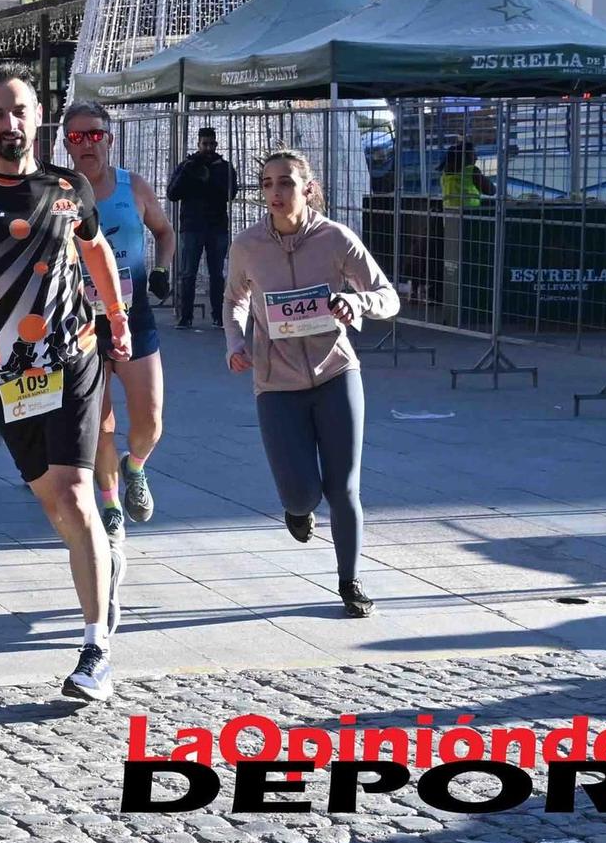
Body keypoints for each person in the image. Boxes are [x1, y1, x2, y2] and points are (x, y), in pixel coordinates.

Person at [0, 63, 129, 702]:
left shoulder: (69, 187)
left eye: (20, 110)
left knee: (73, 495)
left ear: (39, 116)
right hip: (8, 376)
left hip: (74, 357)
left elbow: (97, 252)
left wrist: (116, 316)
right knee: (55, 504)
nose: (9, 124)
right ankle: (100, 552)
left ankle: (95, 646)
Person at [224, 149, 399, 618]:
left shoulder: (335, 238)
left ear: (307, 188)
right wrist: (236, 342)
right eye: (266, 184)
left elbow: (389, 297)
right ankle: (298, 509)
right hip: (275, 383)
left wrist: (355, 302)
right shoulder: (247, 245)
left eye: (285, 183)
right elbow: (234, 299)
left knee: (343, 487)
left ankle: (350, 581)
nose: (276, 193)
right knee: (302, 491)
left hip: (337, 373)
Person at [60, 101, 174, 543]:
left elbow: (164, 232)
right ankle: (109, 504)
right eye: (76, 137)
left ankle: (135, 466)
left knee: (150, 419)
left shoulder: (134, 186)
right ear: (67, 143)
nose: (87, 143)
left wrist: (162, 269)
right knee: (101, 421)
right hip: (82, 321)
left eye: (95, 135)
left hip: (133, 314)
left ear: (109, 138)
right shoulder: (59, 193)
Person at [166, 125, 238, 330]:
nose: (208, 148)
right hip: (192, 226)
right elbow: (172, 193)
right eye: (204, 144)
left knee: (216, 274)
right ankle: (185, 316)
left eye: (211, 144)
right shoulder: (187, 166)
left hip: (216, 227)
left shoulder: (223, 167)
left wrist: (211, 177)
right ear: (198, 144)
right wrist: (189, 172)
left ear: (216, 144)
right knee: (188, 273)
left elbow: (230, 193)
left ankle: (218, 316)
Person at [440, 140, 494, 206]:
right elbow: (491, 190)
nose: (476, 158)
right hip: (469, 211)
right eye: (473, 154)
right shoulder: (472, 171)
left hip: (449, 212)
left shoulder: (445, 174)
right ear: (464, 157)